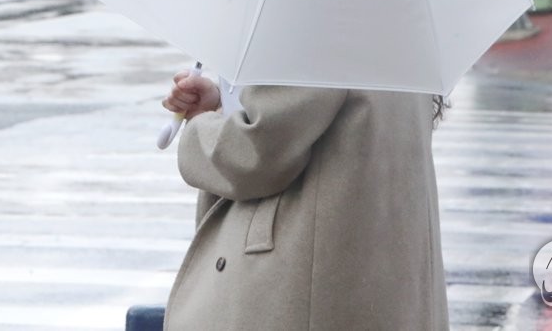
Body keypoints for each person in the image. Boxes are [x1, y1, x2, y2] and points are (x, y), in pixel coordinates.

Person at [160, 73, 450, 330]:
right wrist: (224, 109)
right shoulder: (396, 31)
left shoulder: (318, 20)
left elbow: (254, 153)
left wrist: (202, 125)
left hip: (303, 286)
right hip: (382, 278)